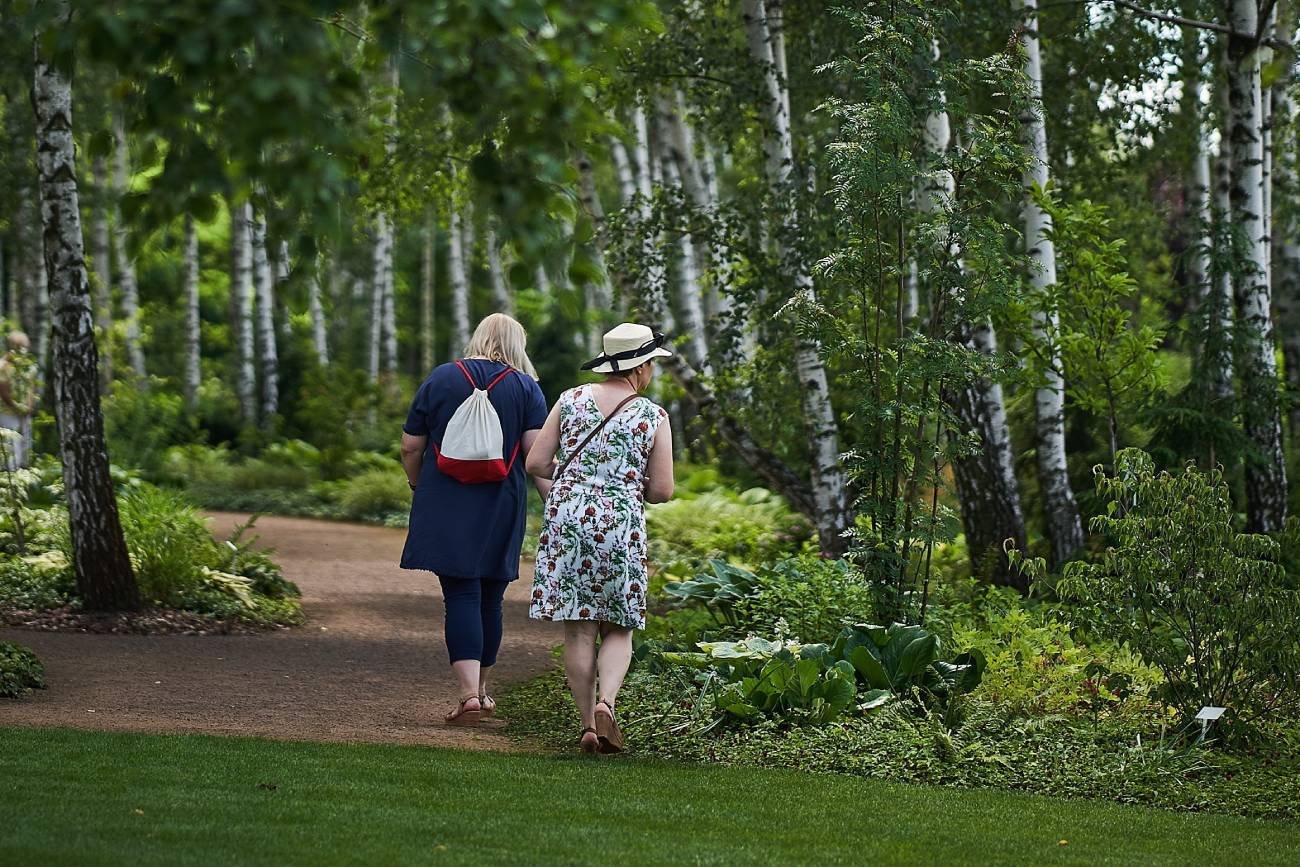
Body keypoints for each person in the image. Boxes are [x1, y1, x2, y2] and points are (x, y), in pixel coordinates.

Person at [526, 322, 675, 753]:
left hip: (569, 518)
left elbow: (537, 462)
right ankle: (607, 703)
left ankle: (587, 725)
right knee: (620, 626)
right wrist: (623, 483)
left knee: (578, 630)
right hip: (619, 524)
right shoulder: (652, 415)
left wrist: (580, 479)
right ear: (640, 368)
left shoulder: (570, 399)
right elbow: (663, 490)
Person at [400, 313, 551, 726]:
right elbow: (537, 459)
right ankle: (482, 694)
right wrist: (556, 506)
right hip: (501, 500)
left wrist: (418, 484)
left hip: (446, 498)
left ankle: (467, 696)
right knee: (491, 598)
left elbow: (411, 446)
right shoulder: (526, 388)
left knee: (461, 596)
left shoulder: (442, 378)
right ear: (517, 344)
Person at [0, 331, 39, 470]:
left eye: (24, 346)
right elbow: (3, 391)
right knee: (11, 451)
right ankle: (9, 484)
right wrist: (18, 407)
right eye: (19, 347)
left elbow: (32, 389)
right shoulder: (3, 366)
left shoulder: (30, 366)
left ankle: (24, 483)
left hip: (25, 414)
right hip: (7, 414)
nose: (22, 350)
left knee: (26, 450)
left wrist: (29, 408)